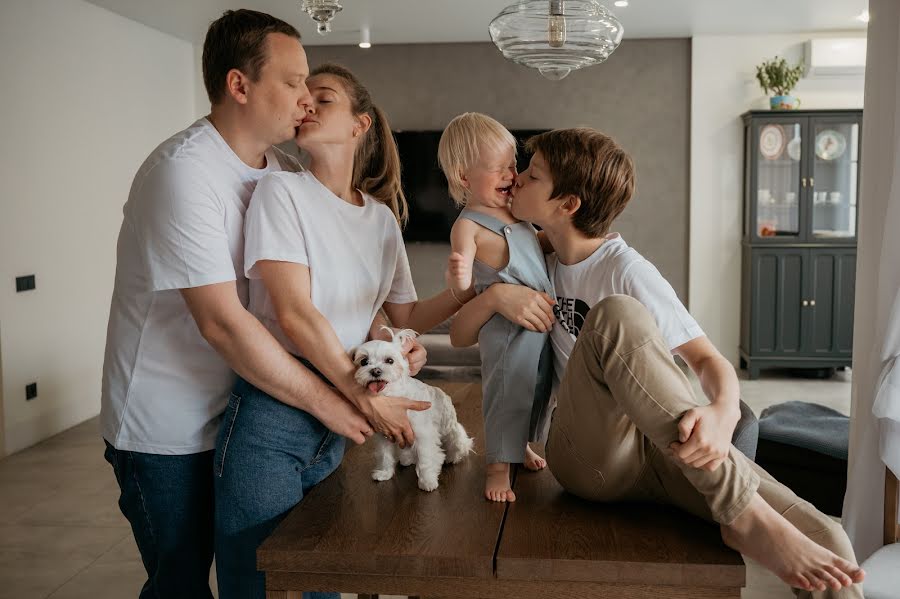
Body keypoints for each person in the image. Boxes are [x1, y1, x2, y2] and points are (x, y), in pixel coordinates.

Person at [450, 128, 866, 598]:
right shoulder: (527, 257)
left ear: (567, 205)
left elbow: (708, 359)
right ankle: (742, 514)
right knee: (616, 315)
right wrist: (497, 295)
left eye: (533, 174)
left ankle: (740, 516)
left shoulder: (626, 269)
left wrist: (723, 413)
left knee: (829, 541)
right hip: (591, 456)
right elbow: (456, 320)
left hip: (665, 446)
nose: (517, 179)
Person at [99, 11, 398, 598]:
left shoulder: (284, 172)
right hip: (171, 428)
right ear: (240, 85)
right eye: (293, 82)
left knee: (274, 575)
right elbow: (225, 325)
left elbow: (327, 287)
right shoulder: (183, 173)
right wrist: (337, 399)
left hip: (255, 412)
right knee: (180, 582)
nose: (305, 98)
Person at [214, 63, 469, 599]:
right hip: (276, 410)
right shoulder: (281, 193)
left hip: (340, 415)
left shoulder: (380, 219)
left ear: (361, 124)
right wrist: (363, 393)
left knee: (325, 573)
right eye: (302, 95)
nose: (305, 104)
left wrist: (468, 291)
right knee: (260, 581)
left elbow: (402, 316)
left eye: (322, 97)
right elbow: (296, 314)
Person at [439, 112, 554, 502]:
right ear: (464, 177)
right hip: (505, 329)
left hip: (537, 323)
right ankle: (496, 467)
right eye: (499, 168)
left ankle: (519, 445)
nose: (512, 174)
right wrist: (458, 273)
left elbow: (536, 247)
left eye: (513, 165)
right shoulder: (467, 226)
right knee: (507, 392)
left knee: (536, 387)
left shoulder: (517, 214)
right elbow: (464, 283)